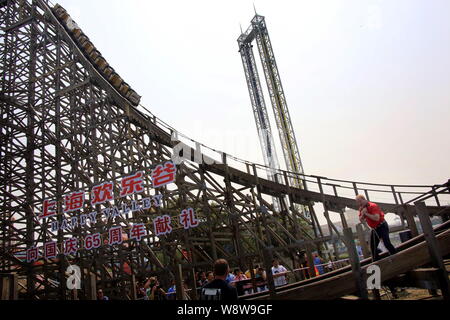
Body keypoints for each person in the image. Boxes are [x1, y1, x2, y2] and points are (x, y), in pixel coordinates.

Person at [356, 195, 397, 261]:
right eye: (358, 202)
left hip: (382, 226)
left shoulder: (373, 206)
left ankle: (396, 257)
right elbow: (361, 220)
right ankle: (375, 261)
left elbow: (376, 218)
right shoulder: (361, 208)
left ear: (364, 200)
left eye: (360, 201)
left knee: (386, 243)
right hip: (374, 229)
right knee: (372, 246)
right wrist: (363, 214)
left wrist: (366, 213)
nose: (359, 203)